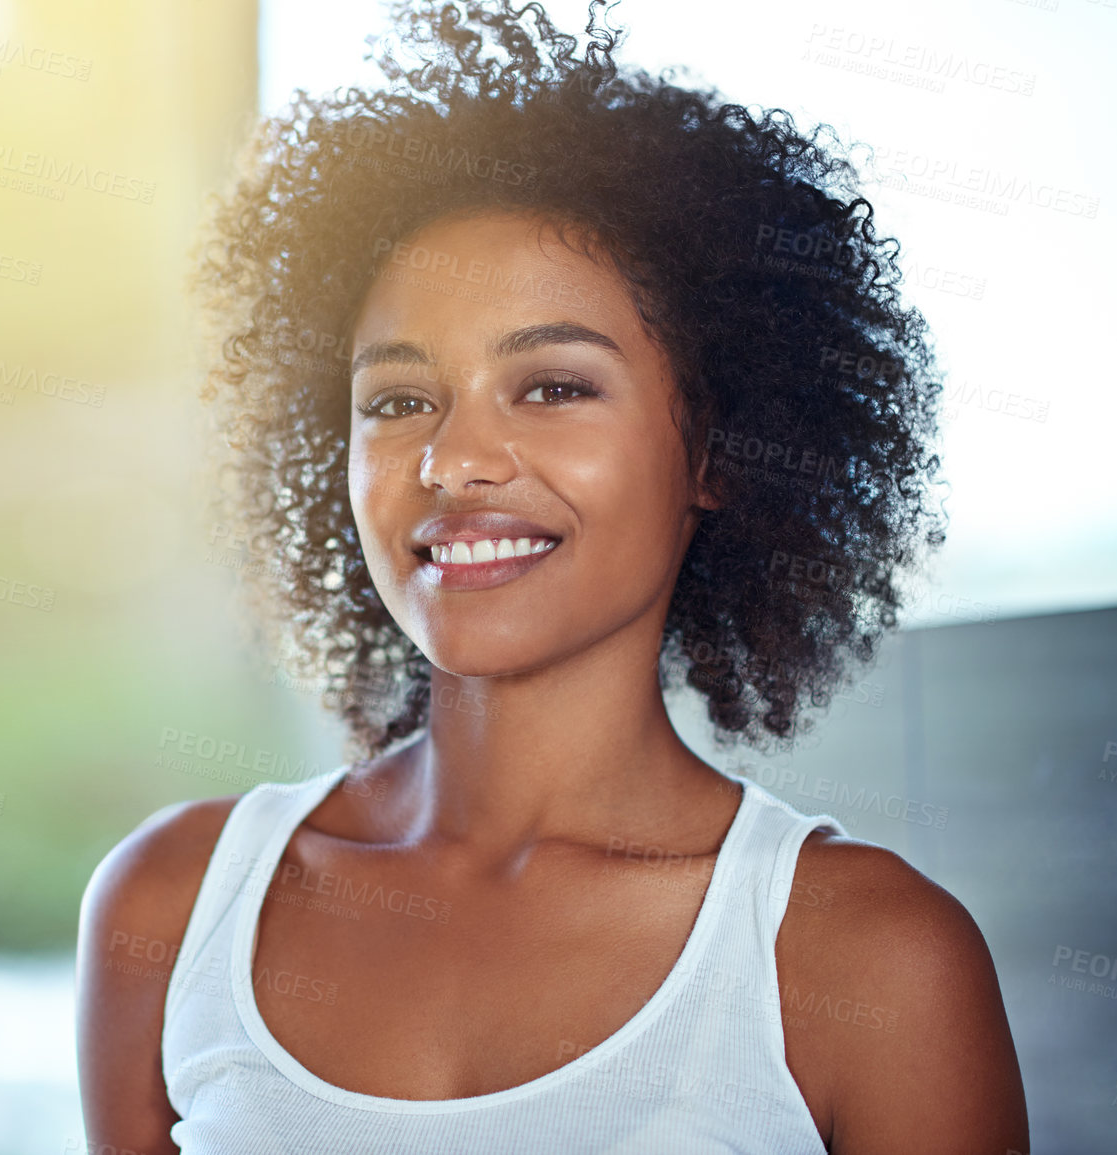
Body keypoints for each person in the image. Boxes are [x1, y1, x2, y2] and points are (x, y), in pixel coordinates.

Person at [76, 2, 1028, 1150]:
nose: (453, 461)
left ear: (717, 452)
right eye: (398, 401)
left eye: (554, 387)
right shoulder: (175, 906)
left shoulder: (865, 956)